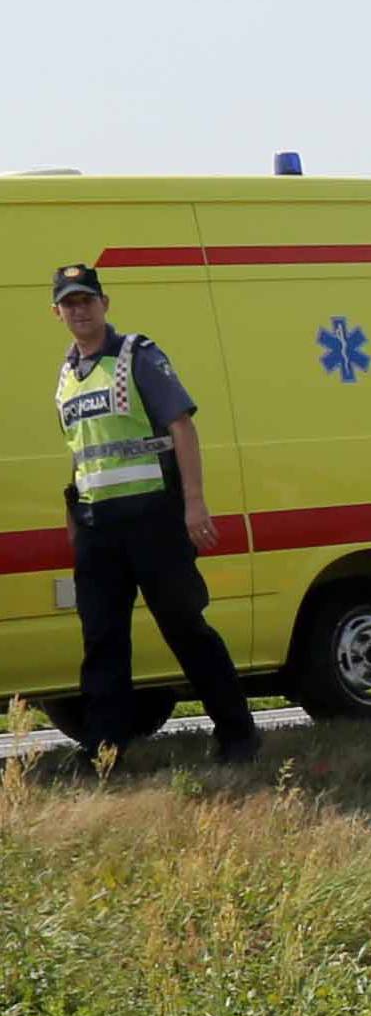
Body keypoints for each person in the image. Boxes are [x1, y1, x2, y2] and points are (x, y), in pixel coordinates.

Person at [51, 263, 258, 764]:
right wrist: (75, 525)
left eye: (87, 299)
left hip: (153, 520)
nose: (80, 309)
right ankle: (105, 750)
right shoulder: (67, 375)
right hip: (98, 527)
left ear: (106, 304)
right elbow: (84, 454)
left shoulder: (136, 356)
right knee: (101, 636)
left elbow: (181, 426)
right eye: (70, 302)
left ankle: (238, 734)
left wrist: (194, 503)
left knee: (183, 626)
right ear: (56, 312)